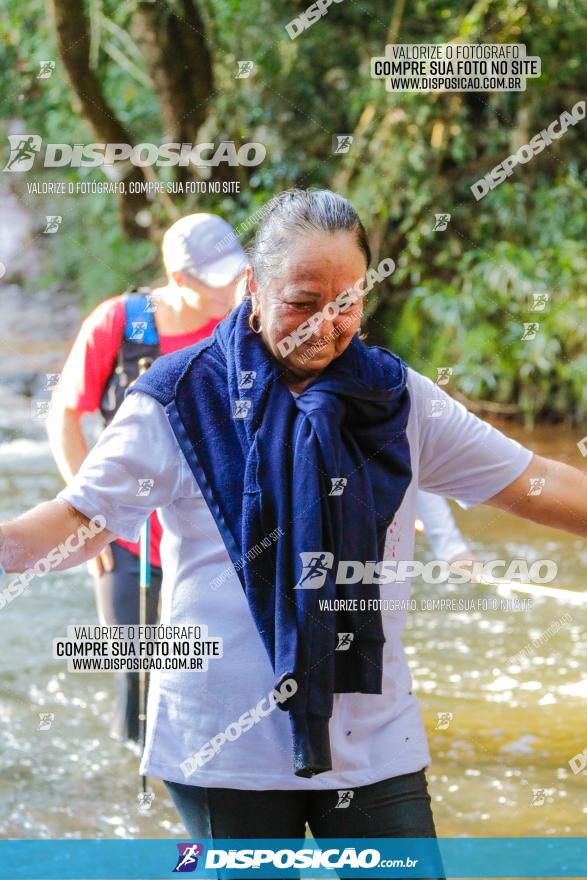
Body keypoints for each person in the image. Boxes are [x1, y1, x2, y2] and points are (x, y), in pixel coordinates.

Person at [2, 190, 585, 861]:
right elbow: (74, 521)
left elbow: (536, 484)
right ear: (253, 287)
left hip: (371, 735)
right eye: (303, 303)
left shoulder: (398, 401)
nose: (325, 326)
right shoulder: (177, 397)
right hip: (222, 744)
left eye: (346, 303)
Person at [47, 213, 246, 743]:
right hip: (128, 537)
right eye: (222, 279)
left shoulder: (243, 326)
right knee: (135, 682)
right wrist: (87, 515)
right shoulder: (122, 323)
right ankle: (136, 795)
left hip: (215, 542)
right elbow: (65, 414)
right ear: (180, 280)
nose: (236, 287)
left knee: (209, 682)